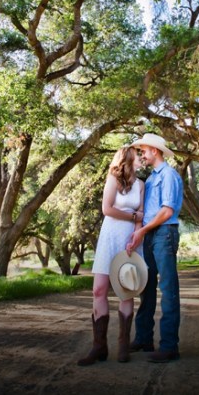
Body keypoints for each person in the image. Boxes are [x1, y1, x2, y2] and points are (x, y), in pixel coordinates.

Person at [77, 146, 144, 366]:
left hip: (129, 241)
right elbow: (107, 209)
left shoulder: (141, 185)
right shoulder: (112, 181)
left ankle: (123, 345)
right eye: (138, 156)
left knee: (126, 291)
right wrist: (133, 215)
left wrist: (136, 234)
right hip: (109, 238)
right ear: (127, 159)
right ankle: (99, 347)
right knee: (99, 290)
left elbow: (140, 217)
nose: (142, 158)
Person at [126, 133, 183, 363]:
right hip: (150, 235)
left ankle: (169, 346)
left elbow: (167, 211)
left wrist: (142, 230)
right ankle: (144, 338)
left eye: (144, 150)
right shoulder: (150, 179)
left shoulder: (169, 175)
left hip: (164, 234)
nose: (142, 154)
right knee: (145, 287)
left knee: (167, 289)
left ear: (155, 151)